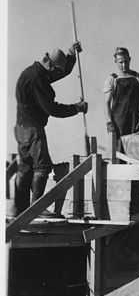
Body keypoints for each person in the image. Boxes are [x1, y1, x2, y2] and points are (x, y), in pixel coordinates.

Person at [11, 42, 88, 218]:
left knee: (26, 167)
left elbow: (62, 71)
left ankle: (20, 209)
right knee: (42, 166)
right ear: (50, 65)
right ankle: (36, 209)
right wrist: (77, 108)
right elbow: (53, 110)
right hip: (33, 130)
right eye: (55, 70)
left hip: (21, 129)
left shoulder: (35, 72)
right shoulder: (37, 79)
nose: (57, 75)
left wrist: (71, 54)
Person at [103, 47, 139, 150]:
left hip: (135, 122)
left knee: (135, 153)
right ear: (116, 62)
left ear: (130, 59)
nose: (124, 65)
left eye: (126, 61)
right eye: (120, 62)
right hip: (118, 124)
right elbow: (106, 103)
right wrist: (109, 123)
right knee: (118, 153)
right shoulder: (112, 79)